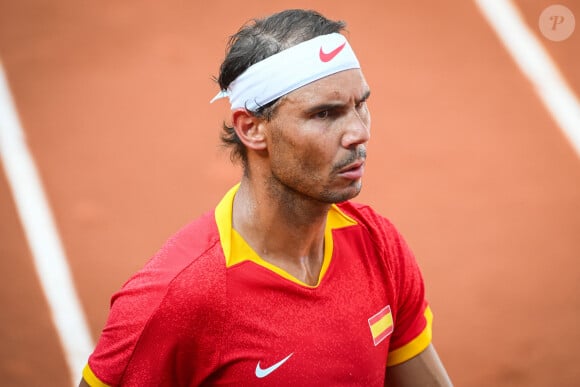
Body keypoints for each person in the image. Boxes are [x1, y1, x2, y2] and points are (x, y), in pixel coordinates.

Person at [80, 9, 452, 387]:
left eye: (360, 105)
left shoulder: (378, 246)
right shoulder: (176, 297)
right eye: (325, 113)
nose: (358, 132)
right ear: (252, 128)